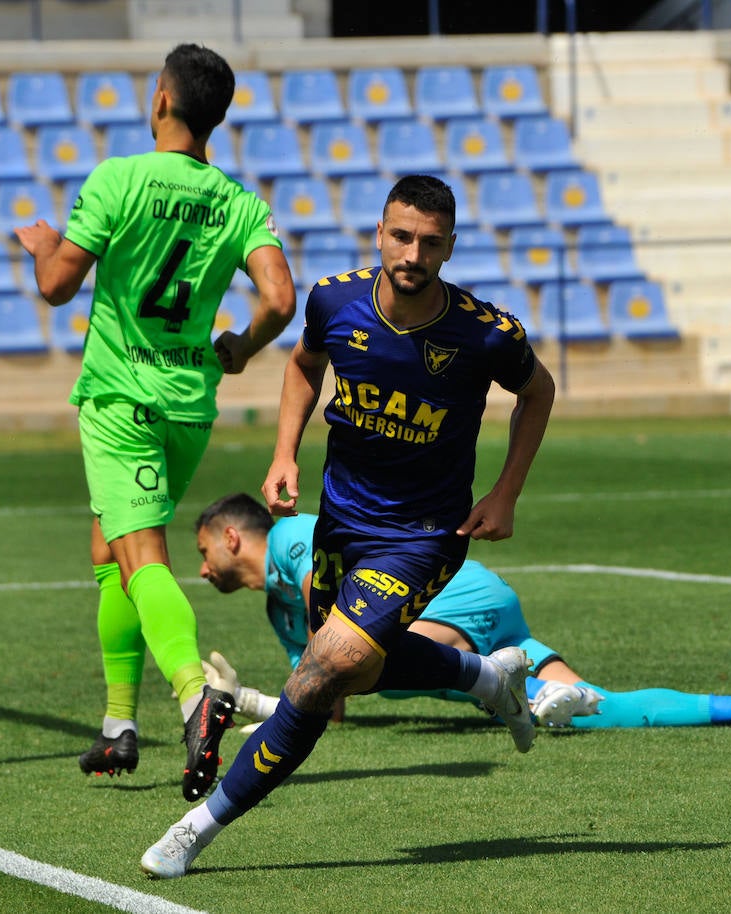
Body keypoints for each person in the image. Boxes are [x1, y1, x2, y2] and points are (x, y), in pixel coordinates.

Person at [141, 174, 556, 878]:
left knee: (318, 675)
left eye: (429, 242)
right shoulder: (334, 300)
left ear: (449, 248)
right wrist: (282, 454)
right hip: (341, 523)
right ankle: (486, 679)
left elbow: (538, 391)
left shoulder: (485, 334)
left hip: (424, 535)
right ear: (380, 234)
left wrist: (506, 492)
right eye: (401, 236)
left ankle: (195, 830)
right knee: (353, 677)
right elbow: (304, 365)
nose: (412, 253)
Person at [15, 43, 296, 801]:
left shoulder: (119, 179)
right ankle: (116, 728)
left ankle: (192, 693)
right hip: (187, 406)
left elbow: (56, 287)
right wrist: (239, 346)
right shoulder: (238, 202)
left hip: (120, 400)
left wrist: (43, 247)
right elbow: (279, 299)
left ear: (163, 100)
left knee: (141, 557)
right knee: (109, 547)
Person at [191, 493, 731, 732]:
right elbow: (332, 703)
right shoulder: (279, 615)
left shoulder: (294, 535)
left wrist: (249, 705)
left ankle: (520, 690)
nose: (201, 569)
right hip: (487, 606)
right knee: (596, 709)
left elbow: (347, 670)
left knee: (387, 661)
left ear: (232, 535)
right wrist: (247, 700)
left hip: (455, 593)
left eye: (202, 551)